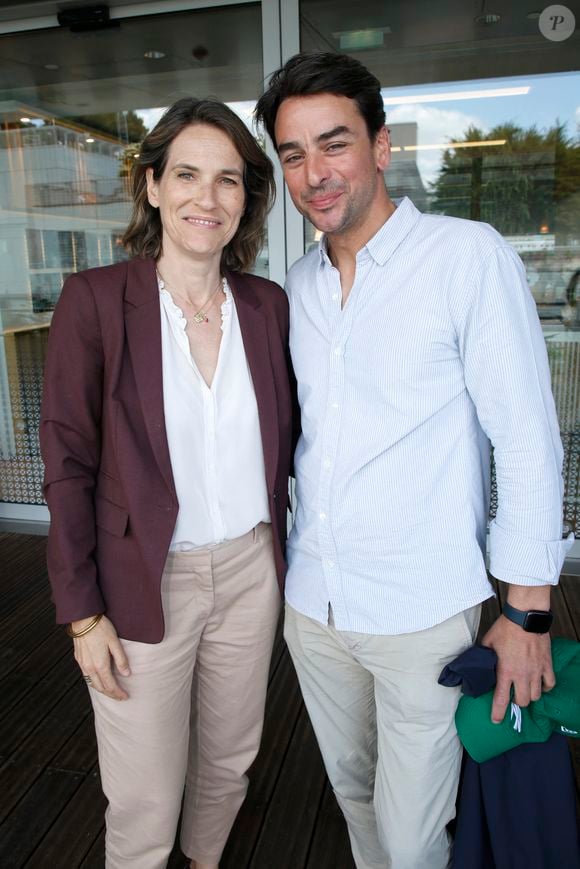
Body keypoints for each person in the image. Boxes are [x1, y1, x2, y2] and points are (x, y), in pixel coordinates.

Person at [255, 52, 573, 869]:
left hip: (421, 611)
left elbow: (527, 436)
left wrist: (528, 612)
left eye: (335, 143)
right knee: (356, 795)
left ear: (382, 144)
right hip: (315, 605)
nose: (315, 173)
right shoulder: (298, 283)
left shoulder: (465, 257)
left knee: (412, 835)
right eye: (294, 154)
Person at [40, 98, 294, 869]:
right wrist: (82, 614)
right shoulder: (95, 301)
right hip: (141, 580)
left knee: (228, 758)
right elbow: (67, 462)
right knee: (145, 791)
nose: (205, 197)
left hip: (250, 569)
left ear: (246, 198)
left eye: (227, 180)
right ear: (152, 186)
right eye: (186, 175)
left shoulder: (267, 307)